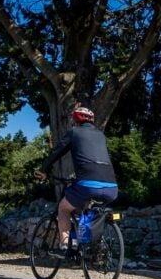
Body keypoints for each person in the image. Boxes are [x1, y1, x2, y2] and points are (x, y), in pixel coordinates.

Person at [35, 105, 118, 260]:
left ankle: (65, 245)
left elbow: (57, 151)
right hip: (112, 187)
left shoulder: (75, 132)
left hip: (87, 184)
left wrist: (43, 169)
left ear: (75, 120)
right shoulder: (100, 135)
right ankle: (92, 245)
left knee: (63, 209)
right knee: (87, 209)